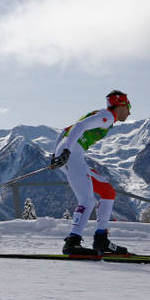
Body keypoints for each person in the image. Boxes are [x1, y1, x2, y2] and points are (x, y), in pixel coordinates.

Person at [50, 90, 132, 256]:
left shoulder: (102, 115)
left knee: (107, 191)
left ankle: (101, 239)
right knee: (87, 200)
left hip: (70, 152)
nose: (130, 112)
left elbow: (66, 129)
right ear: (121, 105)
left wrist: (56, 154)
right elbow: (79, 127)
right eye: (129, 106)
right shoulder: (107, 116)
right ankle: (72, 242)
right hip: (72, 153)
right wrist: (65, 151)